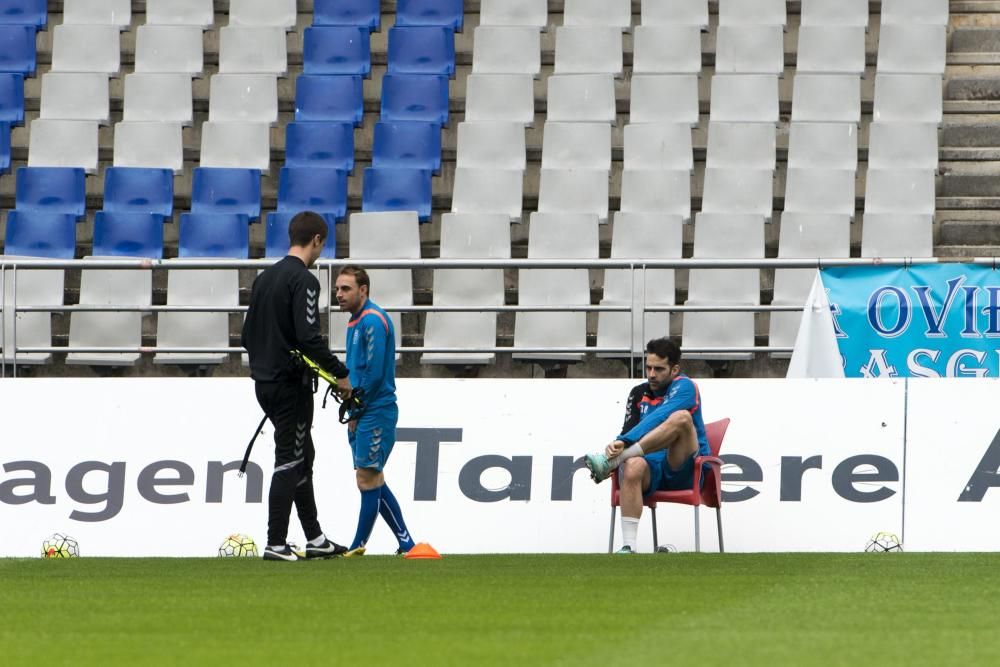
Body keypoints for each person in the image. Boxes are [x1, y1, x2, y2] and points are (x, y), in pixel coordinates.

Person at [241, 211, 352, 562]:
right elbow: (308, 337)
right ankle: (276, 542)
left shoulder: (264, 278)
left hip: (264, 383)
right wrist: (339, 372)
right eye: (323, 244)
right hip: (290, 385)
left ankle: (315, 538)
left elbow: (246, 336)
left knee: (304, 455)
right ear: (317, 239)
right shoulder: (304, 280)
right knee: (290, 458)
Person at [584, 338, 709, 554]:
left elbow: (660, 417)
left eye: (659, 369)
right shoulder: (637, 392)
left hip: (685, 468)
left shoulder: (686, 386)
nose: (651, 374)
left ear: (675, 369)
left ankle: (614, 462)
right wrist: (616, 447)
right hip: (651, 468)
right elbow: (627, 431)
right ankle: (628, 547)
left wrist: (623, 445)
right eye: (648, 367)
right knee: (632, 466)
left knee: (680, 418)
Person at [334, 265, 416, 556]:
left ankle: (357, 545)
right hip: (362, 409)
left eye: (346, 288)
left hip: (375, 410)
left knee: (366, 477)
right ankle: (406, 543)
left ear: (363, 290)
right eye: (337, 288)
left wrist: (356, 410)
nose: (338, 294)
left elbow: (375, 374)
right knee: (373, 479)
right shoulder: (355, 321)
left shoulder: (373, 320)